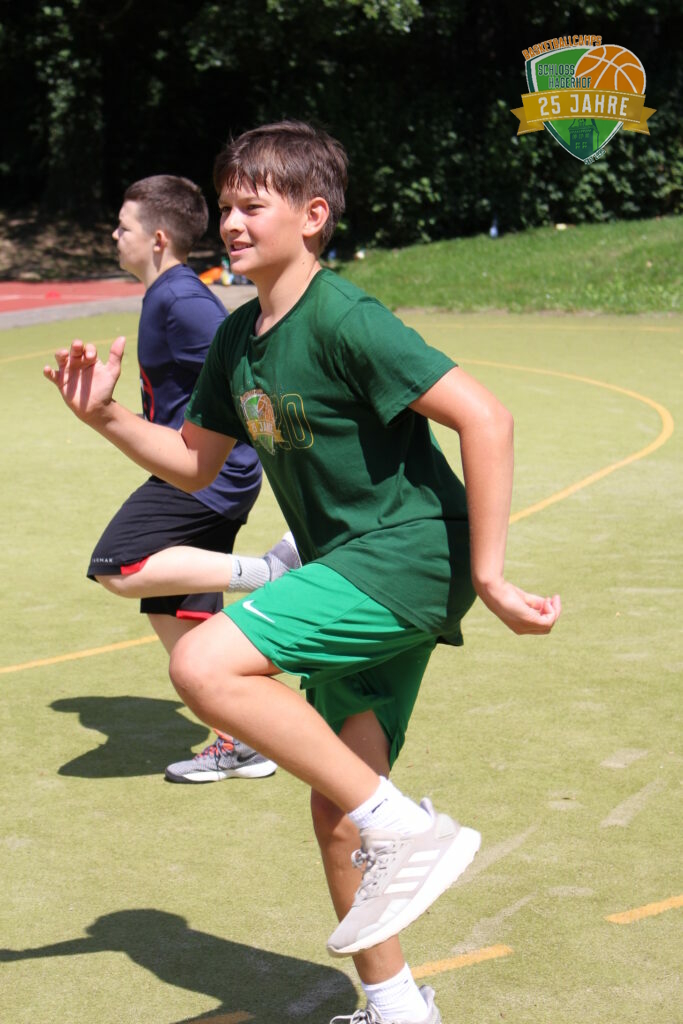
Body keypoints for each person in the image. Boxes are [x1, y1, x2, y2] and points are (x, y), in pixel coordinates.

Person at [44, 122, 561, 1024]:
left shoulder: (344, 317)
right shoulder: (237, 340)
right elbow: (195, 463)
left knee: (204, 664)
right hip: (349, 567)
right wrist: (107, 418)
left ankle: (410, 826)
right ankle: (396, 1007)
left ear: (313, 216)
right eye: (226, 207)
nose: (231, 224)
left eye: (253, 206)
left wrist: (489, 576)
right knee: (337, 810)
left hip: (404, 556)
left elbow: (487, 418)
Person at [87, 174, 301, 784]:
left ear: (157, 238)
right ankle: (242, 740)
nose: (114, 235)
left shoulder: (181, 299)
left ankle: (270, 572)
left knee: (118, 565)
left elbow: (247, 368)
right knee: (175, 607)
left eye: (123, 226)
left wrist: (276, 451)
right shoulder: (166, 294)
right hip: (194, 467)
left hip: (207, 472)